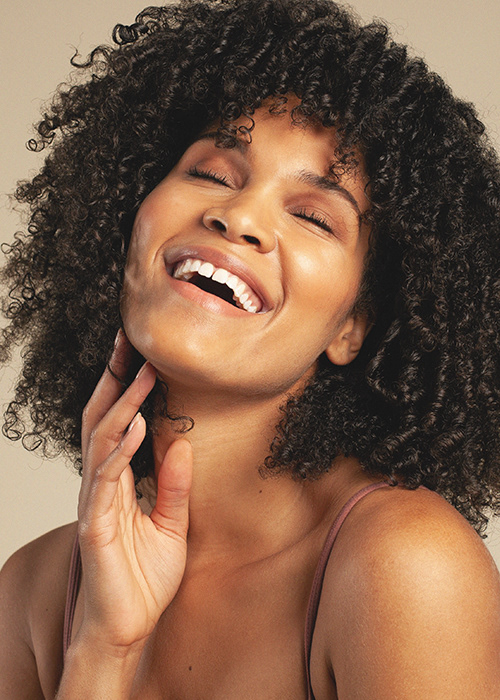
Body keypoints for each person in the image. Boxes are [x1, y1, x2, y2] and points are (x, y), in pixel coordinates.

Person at [1, 0, 500, 697]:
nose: (238, 218)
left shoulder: (402, 566)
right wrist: (103, 649)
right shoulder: (33, 590)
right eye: (211, 173)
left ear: (354, 326)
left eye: (313, 216)